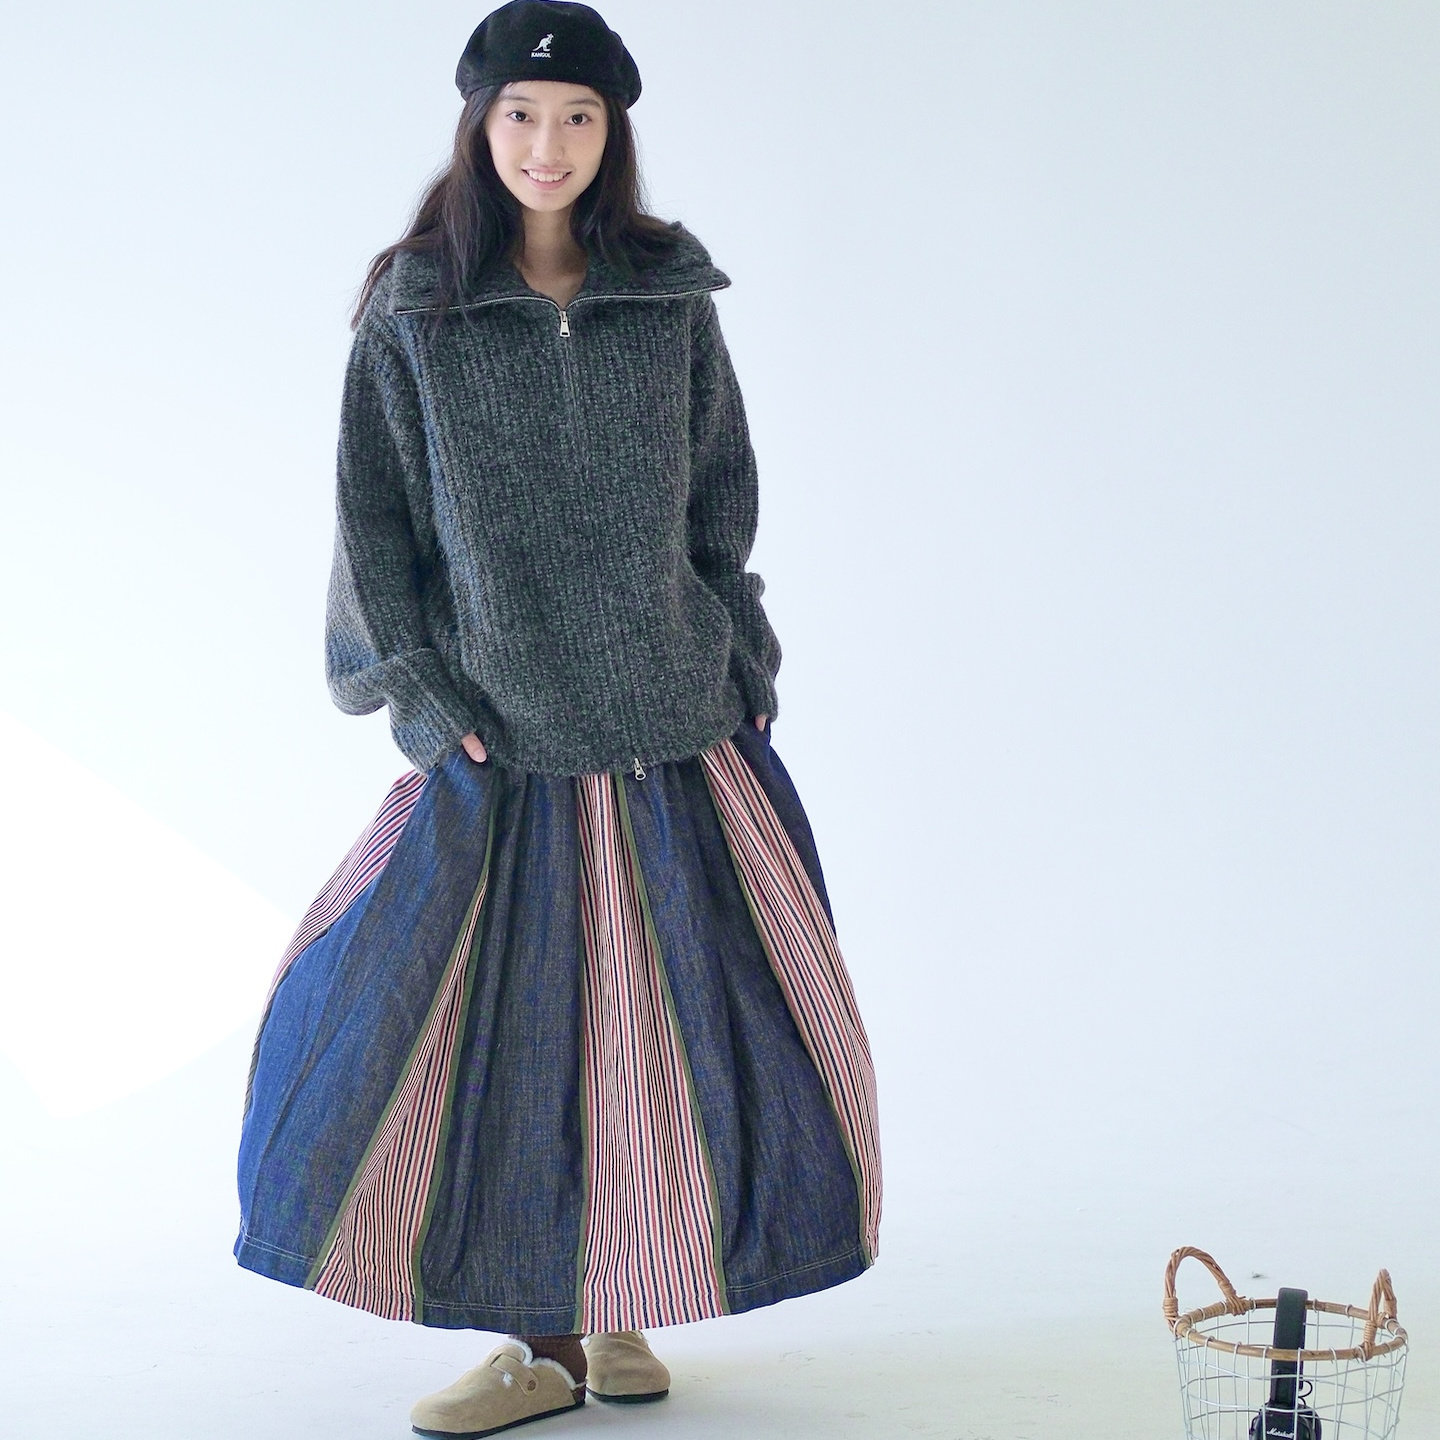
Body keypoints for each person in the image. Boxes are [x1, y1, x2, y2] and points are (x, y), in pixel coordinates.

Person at [233, 3, 881, 1435]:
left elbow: (722, 496)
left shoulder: (668, 297)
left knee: (662, 1036)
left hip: (674, 729)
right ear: (479, 127)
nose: (548, 144)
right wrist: (418, 689)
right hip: (504, 741)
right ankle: (531, 1341)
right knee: (491, 1041)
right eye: (521, 117)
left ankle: (617, 1310)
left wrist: (740, 652)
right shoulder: (418, 309)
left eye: (578, 116)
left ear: (613, 132)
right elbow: (371, 521)